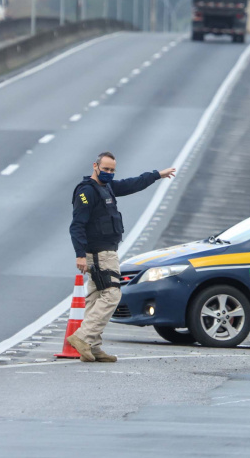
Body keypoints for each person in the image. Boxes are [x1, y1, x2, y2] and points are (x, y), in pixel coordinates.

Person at [67, 152, 176, 362]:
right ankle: (82, 337)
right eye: (105, 169)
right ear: (95, 166)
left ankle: (92, 347)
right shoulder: (87, 191)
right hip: (100, 254)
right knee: (112, 296)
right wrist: (80, 255)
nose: (108, 173)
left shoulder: (106, 187)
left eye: (112, 170)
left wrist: (157, 175)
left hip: (106, 251)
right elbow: (77, 225)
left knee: (96, 297)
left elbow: (131, 184)